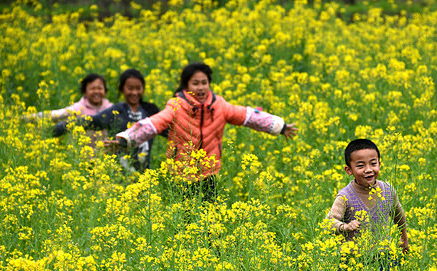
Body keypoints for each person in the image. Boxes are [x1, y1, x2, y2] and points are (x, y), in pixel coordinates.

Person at [113, 62, 298, 199]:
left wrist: (279, 127)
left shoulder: (220, 106)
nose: (200, 87)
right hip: (181, 174)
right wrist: (125, 139)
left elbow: (249, 116)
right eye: (195, 83)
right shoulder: (176, 106)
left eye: (204, 82)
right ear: (186, 86)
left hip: (209, 172)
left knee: (211, 222)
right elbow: (152, 124)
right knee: (185, 223)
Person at [325, 138, 409, 271]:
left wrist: (404, 238)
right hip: (352, 261)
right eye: (360, 166)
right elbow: (328, 223)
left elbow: (399, 214)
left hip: (384, 257)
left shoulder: (388, 190)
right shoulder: (345, 196)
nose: (368, 169)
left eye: (373, 163)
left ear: (379, 164)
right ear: (349, 170)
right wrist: (344, 226)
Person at [54, 69, 162, 172]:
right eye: (130, 88)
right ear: (121, 89)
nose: (134, 92)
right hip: (119, 174)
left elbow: (169, 125)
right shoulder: (116, 110)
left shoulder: (150, 110)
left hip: (144, 174)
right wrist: (52, 131)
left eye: (138, 88)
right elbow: (90, 121)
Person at [27, 73, 113, 122]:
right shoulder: (79, 108)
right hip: (82, 151)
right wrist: (27, 118)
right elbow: (56, 114)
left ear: (105, 91)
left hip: (105, 152)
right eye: (92, 88)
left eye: (100, 88)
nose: (96, 92)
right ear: (84, 92)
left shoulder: (111, 108)